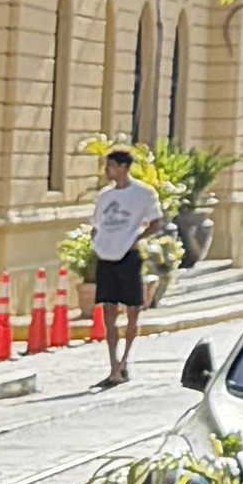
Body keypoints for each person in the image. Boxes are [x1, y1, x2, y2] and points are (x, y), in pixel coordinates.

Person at [85, 146, 157, 389]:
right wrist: (97, 242)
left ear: (124, 167)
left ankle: (125, 360)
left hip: (129, 256)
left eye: (111, 166)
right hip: (106, 257)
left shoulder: (143, 194)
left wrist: (135, 239)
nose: (107, 171)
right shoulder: (104, 196)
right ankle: (113, 365)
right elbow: (96, 224)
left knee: (133, 310)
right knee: (108, 310)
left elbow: (156, 221)